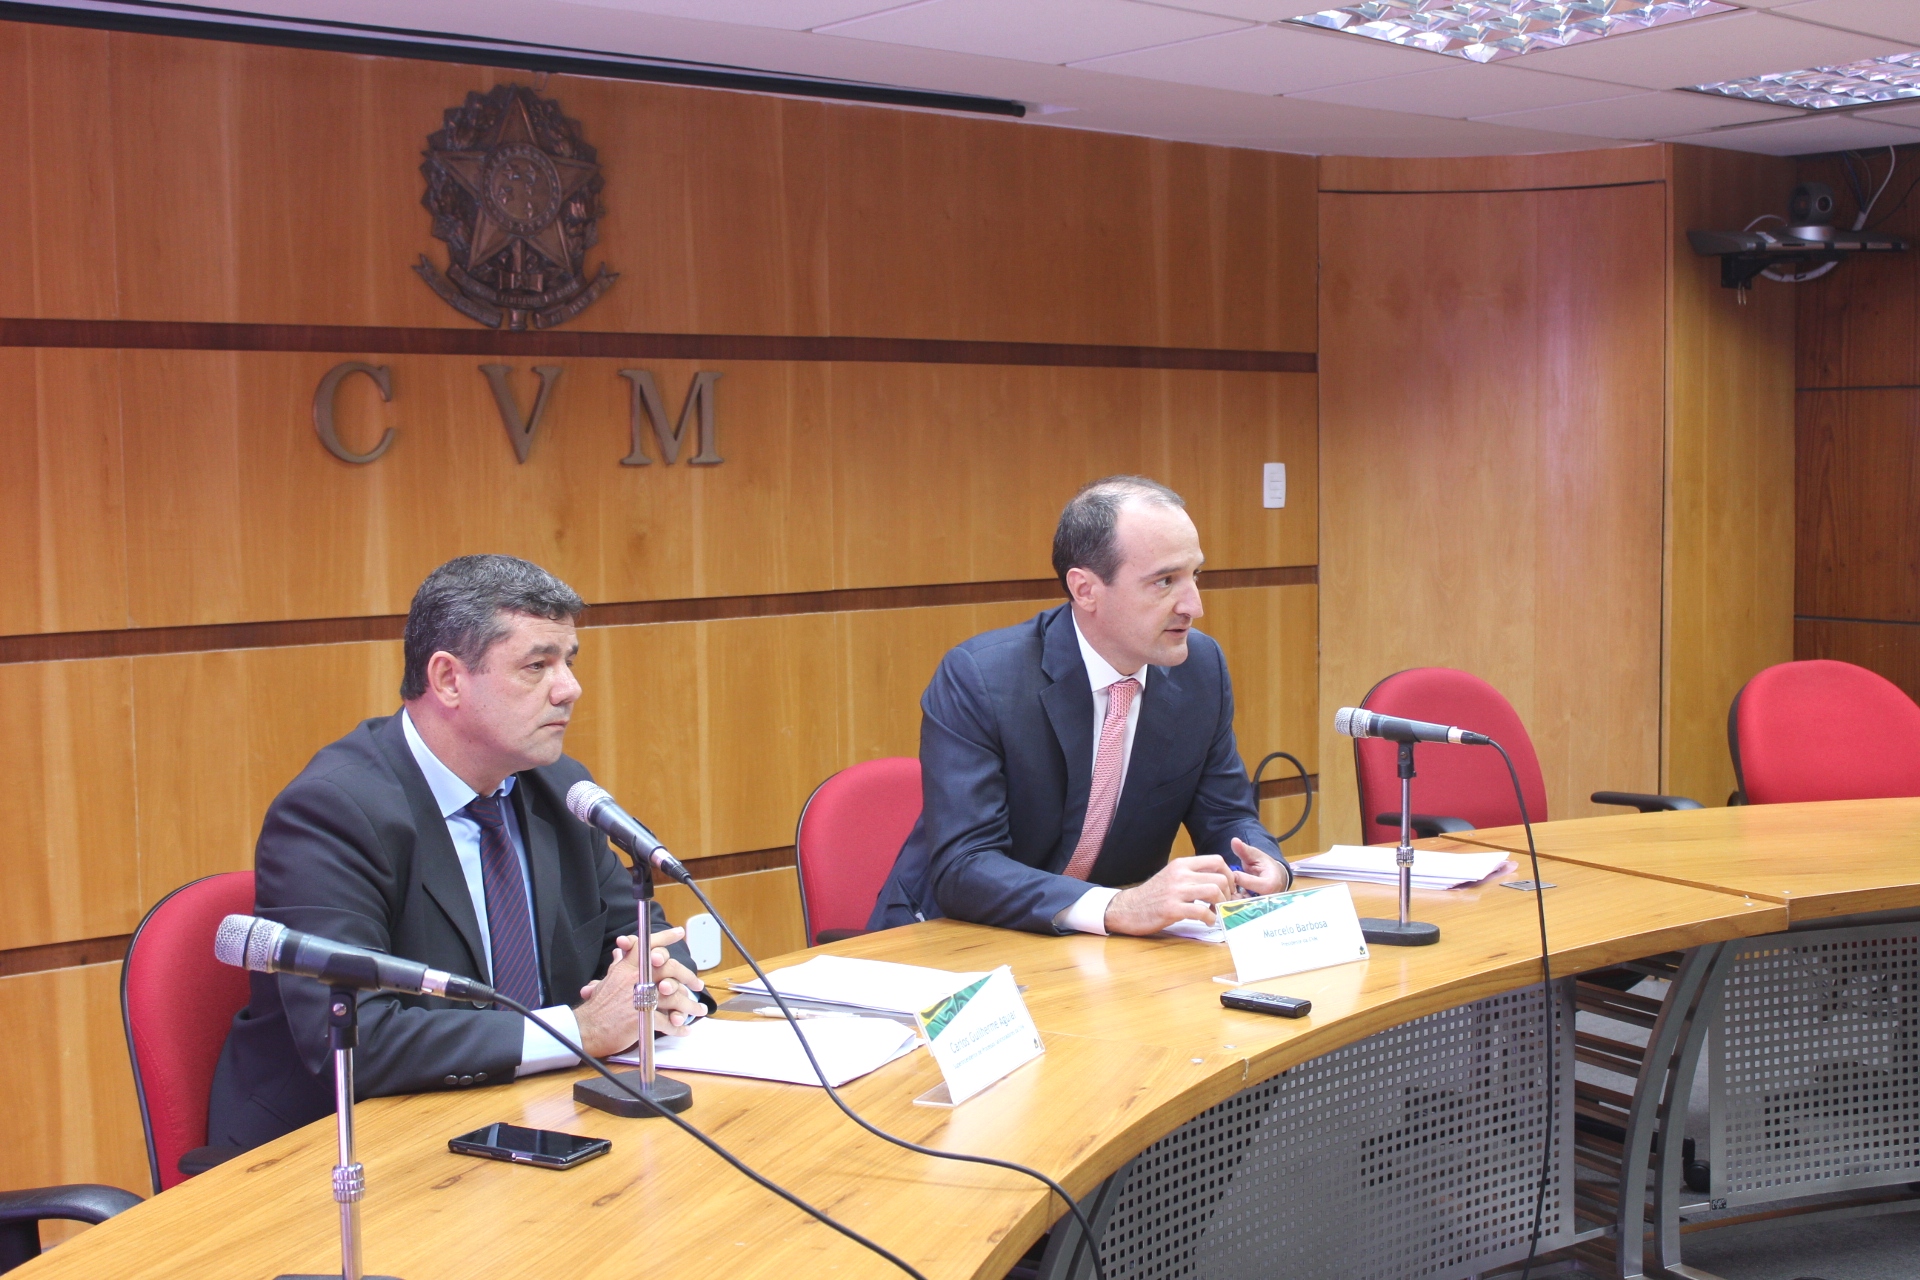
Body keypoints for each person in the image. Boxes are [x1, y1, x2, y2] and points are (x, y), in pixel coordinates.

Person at [209, 555, 706, 1150]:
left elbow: (642, 943)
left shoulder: (560, 789)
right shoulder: (333, 811)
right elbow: (357, 1038)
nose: (569, 688)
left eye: (568, 662)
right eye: (537, 665)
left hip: (530, 1120)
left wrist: (660, 987)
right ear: (448, 679)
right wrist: (578, 1031)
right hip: (334, 1150)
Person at [868, 476, 1291, 936]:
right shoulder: (983, 679)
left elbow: (1227, 815)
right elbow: (965, 866)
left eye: (1196, 576)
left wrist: (1264, 864)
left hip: (1102, 948)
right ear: (1085, 589)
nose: (1194, 605)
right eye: (1165, 581)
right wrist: (1115, 907)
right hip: (952, 938)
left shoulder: (1200, 668)